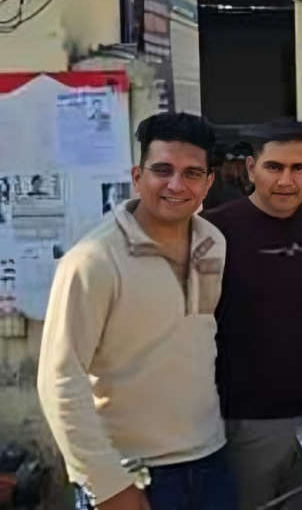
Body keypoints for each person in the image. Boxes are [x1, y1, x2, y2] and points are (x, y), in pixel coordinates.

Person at [37, 112, 236, 510]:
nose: (176, 185)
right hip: (133, 472)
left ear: (208, 182)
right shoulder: (93, 260)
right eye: (162, 170)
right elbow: (60, 379)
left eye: (192, 173)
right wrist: (108, 484)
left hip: (209, 462)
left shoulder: (213, 243)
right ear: (137, 176)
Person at [201, 118, 302, 510]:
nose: (286, 180)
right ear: (251, 169)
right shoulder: (214, 231)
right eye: (274, 167)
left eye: (298, 168)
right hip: (244, 423)